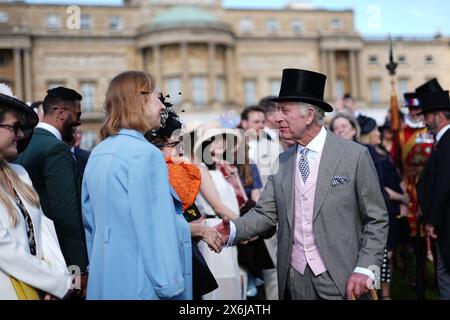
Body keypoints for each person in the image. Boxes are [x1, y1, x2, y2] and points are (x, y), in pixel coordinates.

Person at [216, 68, 389, 300]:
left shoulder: (354, 156)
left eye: (285, 111)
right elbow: (266, 213)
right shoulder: (284, 161)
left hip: (343, 279)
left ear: (308, 116)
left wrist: (365, 268)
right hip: (294, 282)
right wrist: (233, 229)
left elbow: (376, 219)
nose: (277, 118)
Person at [82, 71, 192, 300]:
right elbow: (157, 229)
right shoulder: (146, 154)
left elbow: (90, 225)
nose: (163, 106)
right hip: (142, 282)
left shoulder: (98, 153)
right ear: (139, 101)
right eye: (157, 97)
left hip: (107, 278)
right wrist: (171, 286)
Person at [0, 89, 73, 300]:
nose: (20, 135)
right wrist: (58, 284)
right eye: (14, 127)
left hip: (37, 289)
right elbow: (5, 250)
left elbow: (44, 230)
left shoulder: (19, 174)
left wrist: (58, 279)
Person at [15, 87, 89, 293]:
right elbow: (67, 215)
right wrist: (79, 270)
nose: (79, 122)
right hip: (59, 262)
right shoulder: (56, 150)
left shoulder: (24, 144)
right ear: (61, 112)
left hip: (32, 258)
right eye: (78, 114)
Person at [144, 107, 222, 300]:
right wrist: (200, 230)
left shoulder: (173, 167)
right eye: (178, 141)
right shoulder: (166, 169)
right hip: (169, 257)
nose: (181, 147)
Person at [417, 90, 450, 300]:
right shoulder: (443, 141)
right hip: (444, 220)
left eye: (427, 116)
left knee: (445, 274)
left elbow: (444, 185)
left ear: (439, 116)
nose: (424, 120)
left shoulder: (447, 142)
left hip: (446, 223)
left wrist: (432, 221)